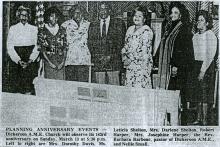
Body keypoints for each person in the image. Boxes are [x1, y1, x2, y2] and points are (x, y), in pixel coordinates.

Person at [157, 2, 194, 91]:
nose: (172, 15)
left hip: (177, 68)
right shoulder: (169, 28)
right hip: (167, 66)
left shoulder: (184, 30)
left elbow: (183, 51)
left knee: (174, 92)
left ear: (181, 15)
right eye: (171, 12)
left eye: (176, 13)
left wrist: (176, 65)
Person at [190, 10, 218, 125]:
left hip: (206, 67)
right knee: (197, 94)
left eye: (202, 20)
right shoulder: (195, 36)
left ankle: (205, 120)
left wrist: (202, 71)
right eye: (198, 20)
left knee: (205, 95)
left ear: (207, 23)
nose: (199, 22)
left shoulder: (211, 35)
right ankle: (198, 118)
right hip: (196, 65)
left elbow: (210, 55)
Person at [88, 2, 126, 85]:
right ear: (98, 11)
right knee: (100, 92)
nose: (103, 11)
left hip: (113, 63)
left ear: (109, 10)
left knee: (114, 90)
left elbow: (121, 43)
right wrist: (99, 57)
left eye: (105, 9)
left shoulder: (118, 23)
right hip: (99, 63)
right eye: (101, 9)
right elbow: (90, 43)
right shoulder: (93, 25)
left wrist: (110, 56)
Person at [7, 5, 39, 94]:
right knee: (17, 88)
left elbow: (37, 46)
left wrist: (30, 60)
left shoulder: (34, 29)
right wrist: (18, 60)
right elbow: (9, 46)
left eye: (26, 15)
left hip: (30, 60)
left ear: (29, 16)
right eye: (22, 15)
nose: (24, 17)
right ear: (18, 16)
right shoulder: (13, 28)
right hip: (17, 61)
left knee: (29, 87)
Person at [121, 7, 153, 88]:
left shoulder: (147, 31)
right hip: (130, 66)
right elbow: (126, 45)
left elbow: (143, 52)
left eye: (140, 16)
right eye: (135, 15)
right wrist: (124, 57)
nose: (137, 18)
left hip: (141, 67)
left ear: (144, 19)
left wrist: (130, 59)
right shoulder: (130, 29)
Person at [62, 5, 91, 82]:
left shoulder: (88, 25)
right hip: (71, 60)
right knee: (71, 85)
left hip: (84, 60)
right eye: (76, 13)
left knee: (83, 86)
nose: (78, 15)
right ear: (72, 13)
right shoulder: (65, 25)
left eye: (80, 13)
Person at [38, 7, 67, 80]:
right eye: (52, 16)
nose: (54, 18)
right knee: (50, 86)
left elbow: (65, 47)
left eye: (56, 17)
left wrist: (62, 62)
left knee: (60, 86)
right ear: (47, 17)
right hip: (49, 62)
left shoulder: (62, 30)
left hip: (60, 63)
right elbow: (42, 50)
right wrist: (50, 63)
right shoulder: (43, 31)